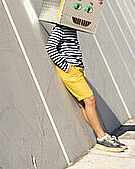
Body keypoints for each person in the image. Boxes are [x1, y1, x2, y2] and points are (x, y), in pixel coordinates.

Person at [45, 23, 126, 152]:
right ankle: (102, 137)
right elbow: (50, 47)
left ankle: (101, 135)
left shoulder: (70, 27)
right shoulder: (61, 27)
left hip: (77, 70)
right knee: (90, 99)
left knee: (84, 103)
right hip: (70, 71)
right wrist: (66, 66)